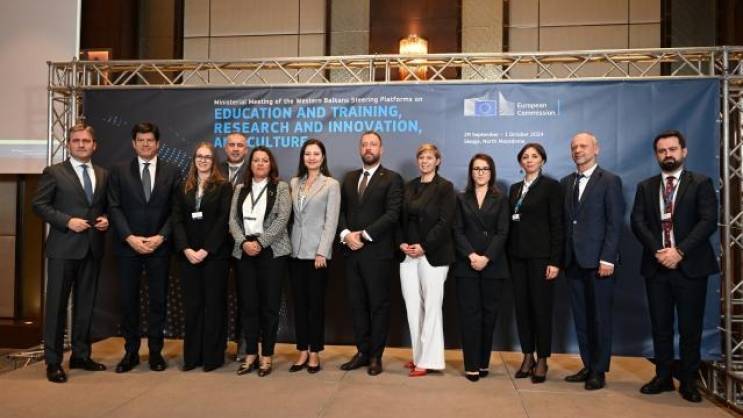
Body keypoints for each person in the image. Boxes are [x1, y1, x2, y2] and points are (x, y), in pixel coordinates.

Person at [630, 130, 718, 403]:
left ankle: (689, 381)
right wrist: (659, 251)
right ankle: (663, 377)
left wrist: (679, 252)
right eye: (662, 151)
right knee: (661, 326)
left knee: (690, 328)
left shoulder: (701, 183)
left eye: (672, 149)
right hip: (657, 266)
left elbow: (708, 221)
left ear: (683, 151)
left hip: (691, 267)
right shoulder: (646, 186)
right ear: (656, 155)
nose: (667, 154)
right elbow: (638, 222)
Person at [32, 123, 109, 383]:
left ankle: (81, 355)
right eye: (76, 140)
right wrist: (67, 221)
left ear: (94, 145)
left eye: (86, 141)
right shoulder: (54, 172)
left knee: (86, 305)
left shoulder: (103, 174)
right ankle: (53, 362)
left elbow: (104, 206)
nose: (81, 145)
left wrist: (106, 219)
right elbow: (39, 205)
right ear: (68, 145)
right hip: (63, 249)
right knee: (56, 307)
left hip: (92, 247)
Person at [108, 122, 181, 373]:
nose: (145, 144)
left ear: (158, 143)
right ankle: (130, 353)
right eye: (141, 140)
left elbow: (176, 210)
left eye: (150, 140)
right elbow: (114, 207)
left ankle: (155, 353)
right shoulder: (119, 171)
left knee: (158, 301)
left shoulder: (172, 171)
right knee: (128, 302)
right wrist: (129, 237)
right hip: (128, 247)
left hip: (159, 247)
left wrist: (161, 237)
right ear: (133, 143)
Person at [561, 132, 624, 390]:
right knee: (582, 318)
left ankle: (599, 370)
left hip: (599, 263)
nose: (578, 150)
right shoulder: (566, 182)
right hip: (573, 261)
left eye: (583, 146)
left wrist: (608, 258)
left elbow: (614, 223)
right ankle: (588, 364)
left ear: (596, 149)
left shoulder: (609, 180)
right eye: (574, 147)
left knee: (599, 318)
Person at [338, 130, 403, 376]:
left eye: (373, 144)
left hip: (377, 254)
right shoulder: (349, 178)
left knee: (378, 306)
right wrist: (346, 234)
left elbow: (392, 214)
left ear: (381, 149)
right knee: (357, 305)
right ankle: (362, 352)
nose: (368, 148)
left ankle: (376, 356)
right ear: (359, 149)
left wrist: (363, 235)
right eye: (364, 144)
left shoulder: (392, 178)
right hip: (351, 253)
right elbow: (340, 211)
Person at [229, 146, 292, 377]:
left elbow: (283, 218)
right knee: (249, 306)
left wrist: (261, 242)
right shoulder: (240, 188)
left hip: (272, 252)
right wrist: (244, 242)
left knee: (269, 307)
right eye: (256, 160)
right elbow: (232, 220)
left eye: (265, 160)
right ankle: (250, 354)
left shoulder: (281, 187)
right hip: (244, 250)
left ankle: (266, 355)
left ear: (271, 164)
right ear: (251, 164)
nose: (260, 164)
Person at [172, 142, 232, 372]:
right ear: (194, 159)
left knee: (214, 306)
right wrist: (186, 249)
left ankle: (212, 358)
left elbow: (223, 220)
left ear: (213, 161)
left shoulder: (223, 186)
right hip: (188, 256)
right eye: (199, 156)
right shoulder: (183, 187)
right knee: (193, 306)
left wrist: (206, 250)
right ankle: (192, 357)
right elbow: (177, 220)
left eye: (207, 157)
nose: (203, 160)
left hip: (214, 255)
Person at [396, 143, 455, 377]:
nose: (424, 161)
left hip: (433, 255)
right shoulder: (409, 186)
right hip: (408, 254)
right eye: (421, 157)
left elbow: (445, 222)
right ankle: (418, 356)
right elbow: (399, 219)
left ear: (437, 161)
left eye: (429, 157)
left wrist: (424, 246)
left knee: (431, 308)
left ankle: (430, 360)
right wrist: (401, 243)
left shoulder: (445, 187)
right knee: (413, 308)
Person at [507, 143, 564, 384]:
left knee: (541, 309)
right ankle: (528, 355)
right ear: (520, 162)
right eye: (525, 157)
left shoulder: (551, 186)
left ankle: (543, 359)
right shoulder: (515, 189)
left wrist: (555, 261)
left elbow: (557, 225)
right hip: (517, 258)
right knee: (522, 309)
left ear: (542, 160)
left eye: (534, 156)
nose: (529, 160)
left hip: (541, 258)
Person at [453, 154, 510, 382]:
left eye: (485, 168)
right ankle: (471, 365)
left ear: (491, 172)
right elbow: (457, 230)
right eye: (476, 168)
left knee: (489, 316)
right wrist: (471, 255)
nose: (480, 172)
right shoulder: (460, 198)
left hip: (493, 265)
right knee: (470, 316)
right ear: (471, 172)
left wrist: (486, 257)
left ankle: (483, 362)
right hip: (466, 264)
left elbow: (503, 232)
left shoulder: (501, 198)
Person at [288, 138, 340, 374]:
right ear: (303, 157)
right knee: (299, 305)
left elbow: (331, 221)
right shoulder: (294, 182)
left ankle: (315, 352)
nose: (311, 157)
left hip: (317, 255)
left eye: (316, 154)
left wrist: (322, 251)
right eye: (307, 154)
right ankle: (302, 350)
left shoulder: (331, 184)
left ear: (323, 157)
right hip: (295, 252)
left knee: (315, 306)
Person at [217, 132, 248, 361]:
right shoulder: (214, 169)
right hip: (216, 242)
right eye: (232, 145)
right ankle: (216, 345)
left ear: (246, 149)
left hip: (244, 242)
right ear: (225, 148)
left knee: (246, 295)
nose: (236, 149)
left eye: (240, 145)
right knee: (216, 295)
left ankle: (244, 345)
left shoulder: (255, 169)